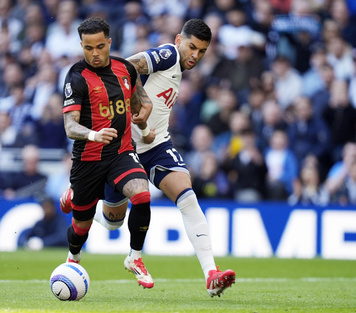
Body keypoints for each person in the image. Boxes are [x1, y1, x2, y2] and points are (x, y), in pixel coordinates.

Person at [62, 18, 236, 297]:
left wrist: (145, 122)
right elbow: (125, 68)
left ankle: (211, 274)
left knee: (188, 199)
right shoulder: (167, 55)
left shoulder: (179, 67)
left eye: (201, 51)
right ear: (179, 41)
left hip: (156, 146)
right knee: (112, 221)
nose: (195, 55)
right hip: (121, 149)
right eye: (191, 47)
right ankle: (80, 197)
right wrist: (136, 108)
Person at [60, 17, 154, 289]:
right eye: (88, 48)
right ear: (81, 46)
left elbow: (139, 103)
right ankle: (73, 258)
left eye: (100, 46)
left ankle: (135, 258)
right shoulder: (76, 77)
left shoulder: (125, 69)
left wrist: (145, 126)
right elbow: (69, 125)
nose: (95, 53)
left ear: (109, 43)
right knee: (81, 228)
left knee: (142, 193)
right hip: (88, 159)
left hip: (121, 153)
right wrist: (93, 134)